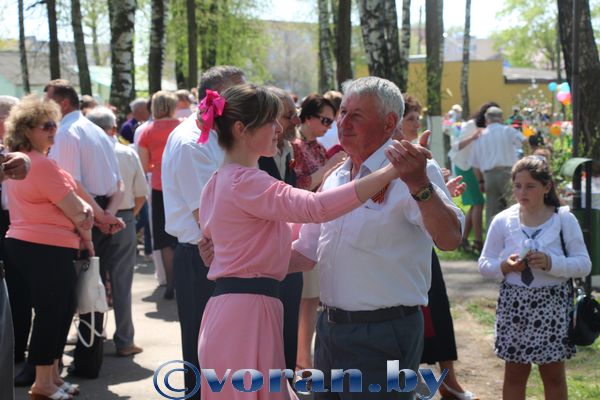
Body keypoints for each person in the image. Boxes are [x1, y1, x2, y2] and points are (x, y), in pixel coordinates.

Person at [197, 83, 420, 400]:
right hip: (246, 315)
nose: (280, 129)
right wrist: (388, 173)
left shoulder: (219, 181)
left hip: (237, 310)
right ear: (241, 129)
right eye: (271, 121)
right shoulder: (248, 182)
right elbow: (316, 208)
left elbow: (252, 240)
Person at [291, 77, 464, 400]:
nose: (343, 122)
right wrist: (237, 258)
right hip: (330, 330)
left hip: (384, 333)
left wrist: (420, 186)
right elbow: (305, 251)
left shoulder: (412, 170)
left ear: (388, 123)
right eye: (343, 112)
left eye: (356, 115)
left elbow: (450, 238)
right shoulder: (337, 176)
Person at [161, 65, 245, 400]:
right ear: (218, 96)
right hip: (202, 254)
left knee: (222, 350)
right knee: (202, 348)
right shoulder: (192, 142)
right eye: (240, 92)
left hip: (219, 250)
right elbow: (208, 216)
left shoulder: (213, 134)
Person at [4, 94, 95, 400]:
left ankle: (52, 377)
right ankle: (43, 381)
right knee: (51, 312)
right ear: (26, 129)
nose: (54, 130)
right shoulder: (38, 164)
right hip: (43, 246)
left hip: (40, 245)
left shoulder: (33, 162)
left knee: (59, 310)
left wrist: (88, 213)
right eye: (46, 125)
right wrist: (86, 215)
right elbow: (77, 210)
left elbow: (79, 206)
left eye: (55, 124)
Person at [478, 156, 591, 400]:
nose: (522, 192)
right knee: (515, 374)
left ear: (546, 187)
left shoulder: (563, 219)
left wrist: (552, 263)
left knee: (553, 375)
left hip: (552, 305)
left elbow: (584, 264)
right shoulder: (503, 220)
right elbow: (484, 264)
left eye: (530, 186)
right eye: (518, 186)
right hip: (515, 305)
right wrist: (505, 267)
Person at [395, 95, 477, 400]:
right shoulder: (384, 159)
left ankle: (448, 381)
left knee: (438, 315)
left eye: (418, 117)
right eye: (410, 118)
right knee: (409, 320)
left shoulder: (425, 158)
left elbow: (433, 208)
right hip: (400, 256)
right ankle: (415, 382)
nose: (416, 123)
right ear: (394, 122)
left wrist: (443, 193)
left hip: (425, 248)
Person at [44, 79, 125, 379]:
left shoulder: (67, 133)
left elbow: (70, 185)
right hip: (98, 210)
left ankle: (54, 363)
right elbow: (117, 183)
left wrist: (100, 217)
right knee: (92, 289)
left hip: (81, 214)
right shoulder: (95, 130)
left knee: (68, 292)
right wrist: (108, 214)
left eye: (48, 100)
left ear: (63, 103)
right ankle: (87, 361)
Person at [87, 106, 147, 356]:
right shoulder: (126, 152)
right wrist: (128, 217)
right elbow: (141, 194)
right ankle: (124, 339)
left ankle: (91, 337)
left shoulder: (85, 152)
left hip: (90, 219)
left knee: (91, 280)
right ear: (113, 128)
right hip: (124, 217)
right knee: (122, 282)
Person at [292, 93, 346, 371]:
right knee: (306, 298)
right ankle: (302, 360)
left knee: (312, 298)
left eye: (331, 121)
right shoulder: (296, 146)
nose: (328, 126)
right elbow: (298, 187)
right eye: (324, 120)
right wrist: (329, 167)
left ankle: (304, 358)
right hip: (300, 225)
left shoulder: (315, 146)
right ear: (307, 116)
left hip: (314, 223)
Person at [257, 87, 304, 373]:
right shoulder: (250, 160)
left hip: (290, 255)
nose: (296, 121)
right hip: (263, 265)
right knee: (266, 343)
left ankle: (287, 384)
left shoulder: (288, 150)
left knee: (288, 334)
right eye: (289, 116)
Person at [138, 91, 181, 299]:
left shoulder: (147, 131)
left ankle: (170, 283)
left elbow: (144, 165)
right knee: (183, 234)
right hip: (182, 185)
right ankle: (185, 280)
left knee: (164, 239)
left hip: (159, 186)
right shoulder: (182, 126)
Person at [450, 102, 497, 253]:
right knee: (478, 203)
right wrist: (473, 137)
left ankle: (463, 240)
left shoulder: (489, 129)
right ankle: (478, 241)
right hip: (464, 166)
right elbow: (456, 146)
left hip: (474, 168)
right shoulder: (471, 125)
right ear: (485, 115)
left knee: (474, 204)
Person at [469, 106, 526, 228]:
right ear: (501, 118)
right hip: (508, 173)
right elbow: (524, 142)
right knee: (514, 207)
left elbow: (475, 164)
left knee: (492, 212)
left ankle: (493, 237)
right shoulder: (508, 130)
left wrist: (480, 181)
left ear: (486, 119)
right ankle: (516, 233)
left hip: (489, 175)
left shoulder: (480, 136)